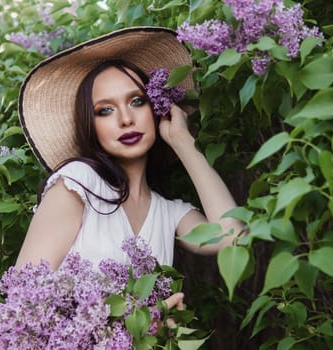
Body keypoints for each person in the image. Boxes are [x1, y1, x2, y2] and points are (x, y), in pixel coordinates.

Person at [15, 27, 244, 310]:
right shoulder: (78, 184)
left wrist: (182, 141)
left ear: (156, 108)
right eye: (105, 110)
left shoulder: (169, 213)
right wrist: (148, 319)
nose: (125, 119)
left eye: (137, 101)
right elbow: (23, 299)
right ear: (91, 125)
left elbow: (233, 237)